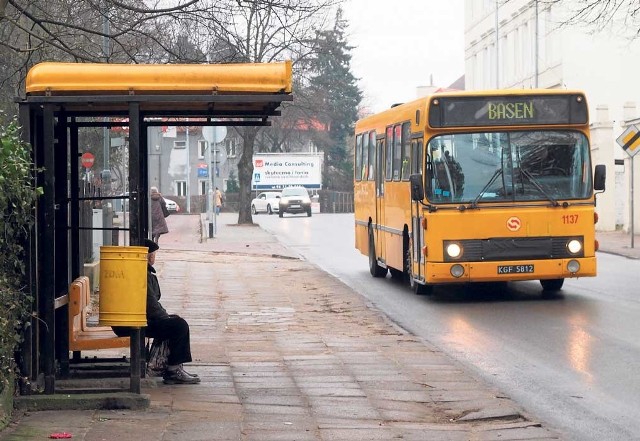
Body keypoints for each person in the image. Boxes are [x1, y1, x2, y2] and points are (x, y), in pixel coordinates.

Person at [113, 239, 200, 385]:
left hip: (128, 321)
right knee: (179, 326)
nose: (153, 257)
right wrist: (166, 319)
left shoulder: (136, 270)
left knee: (173, 322)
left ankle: (173, 366)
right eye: (152, 254)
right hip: (130, 324)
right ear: (147, 256)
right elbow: (151, 306)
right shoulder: (142, 275)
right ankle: (173, 369)